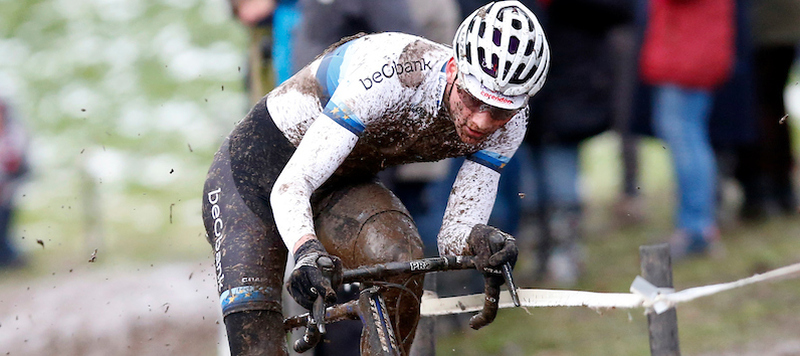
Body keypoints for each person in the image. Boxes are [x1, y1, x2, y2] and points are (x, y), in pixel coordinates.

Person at [201, 2, 550, 355]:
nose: (481, 122)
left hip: (337, 186)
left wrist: (480, 239)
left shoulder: (513, 121)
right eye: (473, 100)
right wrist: (306, 251)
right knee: (257, 346)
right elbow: (292, 185)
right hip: (254, 181)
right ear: (453, 70)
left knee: (399, 256)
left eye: (499, 111)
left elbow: (452, 237)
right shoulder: (394, 74)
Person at [638, 0, 735, 257]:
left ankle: (696, 228)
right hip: (692, 48)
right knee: (689, 137)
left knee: (687, 139)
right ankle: (695, 224)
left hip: (686, 53)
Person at [0, 97, 29, 269]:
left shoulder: (15, 133)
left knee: (3, 226)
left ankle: (11, 259)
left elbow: (15, 163)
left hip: (9, 186)